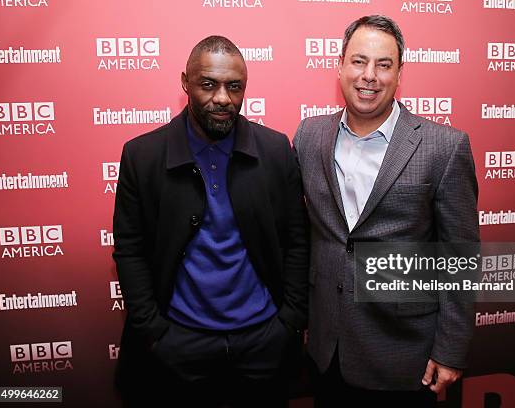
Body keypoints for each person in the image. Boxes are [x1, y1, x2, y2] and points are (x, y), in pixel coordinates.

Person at [292, 15, 479, 407]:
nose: (369, 76)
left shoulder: (444, 147)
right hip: (328, 350)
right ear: (340, 65)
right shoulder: (308, 136)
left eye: (384, 64)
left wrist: (450, 349)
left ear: (399, 73)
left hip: (405, 355)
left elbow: (459, 257)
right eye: (359, 61)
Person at [112, 35, 308, 407]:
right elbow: (130, 250)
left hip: (263, 344)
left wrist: (290, 322)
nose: (222, 98)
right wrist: (154, 332)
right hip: (179, 345)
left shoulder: (275, 150)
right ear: (185, 82)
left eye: (234, 87)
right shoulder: (142, 155)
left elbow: (297, 240)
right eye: (208, 84)